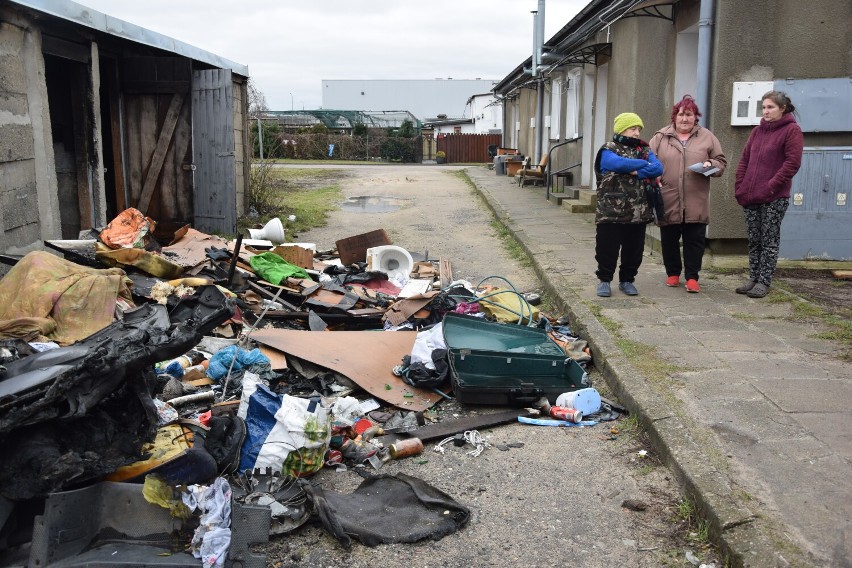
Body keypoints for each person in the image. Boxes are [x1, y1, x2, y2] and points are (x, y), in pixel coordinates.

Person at [650, 95, 727, 293]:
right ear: (675, 116)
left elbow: (721, 163)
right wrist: (653, 180)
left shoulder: (707, 137)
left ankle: (692, 277)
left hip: (696, 199)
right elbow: (647, 162)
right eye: (682, 114)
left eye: (689, 115)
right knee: (669, 239)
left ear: (695, 117)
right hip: (668, 197)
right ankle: (673, 274)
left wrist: (711, 164)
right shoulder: (660, 137)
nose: (685, 119)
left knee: (695, 241)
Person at [734, 91, 803, 298]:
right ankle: (753, 278)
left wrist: (771, 185)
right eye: (764, 107)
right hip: (751, 196)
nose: (766, 111)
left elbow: (792, 163)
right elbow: (745, 160)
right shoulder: (757, 132)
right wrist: (740, 186)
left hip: (775, 197)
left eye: (770, 107)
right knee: (754, 239)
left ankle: (764, 281)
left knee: (769, 240)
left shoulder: (792, 131)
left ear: (782, 108)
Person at [594, 112, 663, 297]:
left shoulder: (645, 149)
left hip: (637, 210)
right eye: (633, 128)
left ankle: (627, 280)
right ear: (622, 129)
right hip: (611, 209)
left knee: (634, 249)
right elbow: (616, 164)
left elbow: (658, 168)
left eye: (639, 129)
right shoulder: (608, 149)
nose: (637, 133)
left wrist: (635, 171)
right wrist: (642, 165)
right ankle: (605, 280)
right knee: (606, 248)